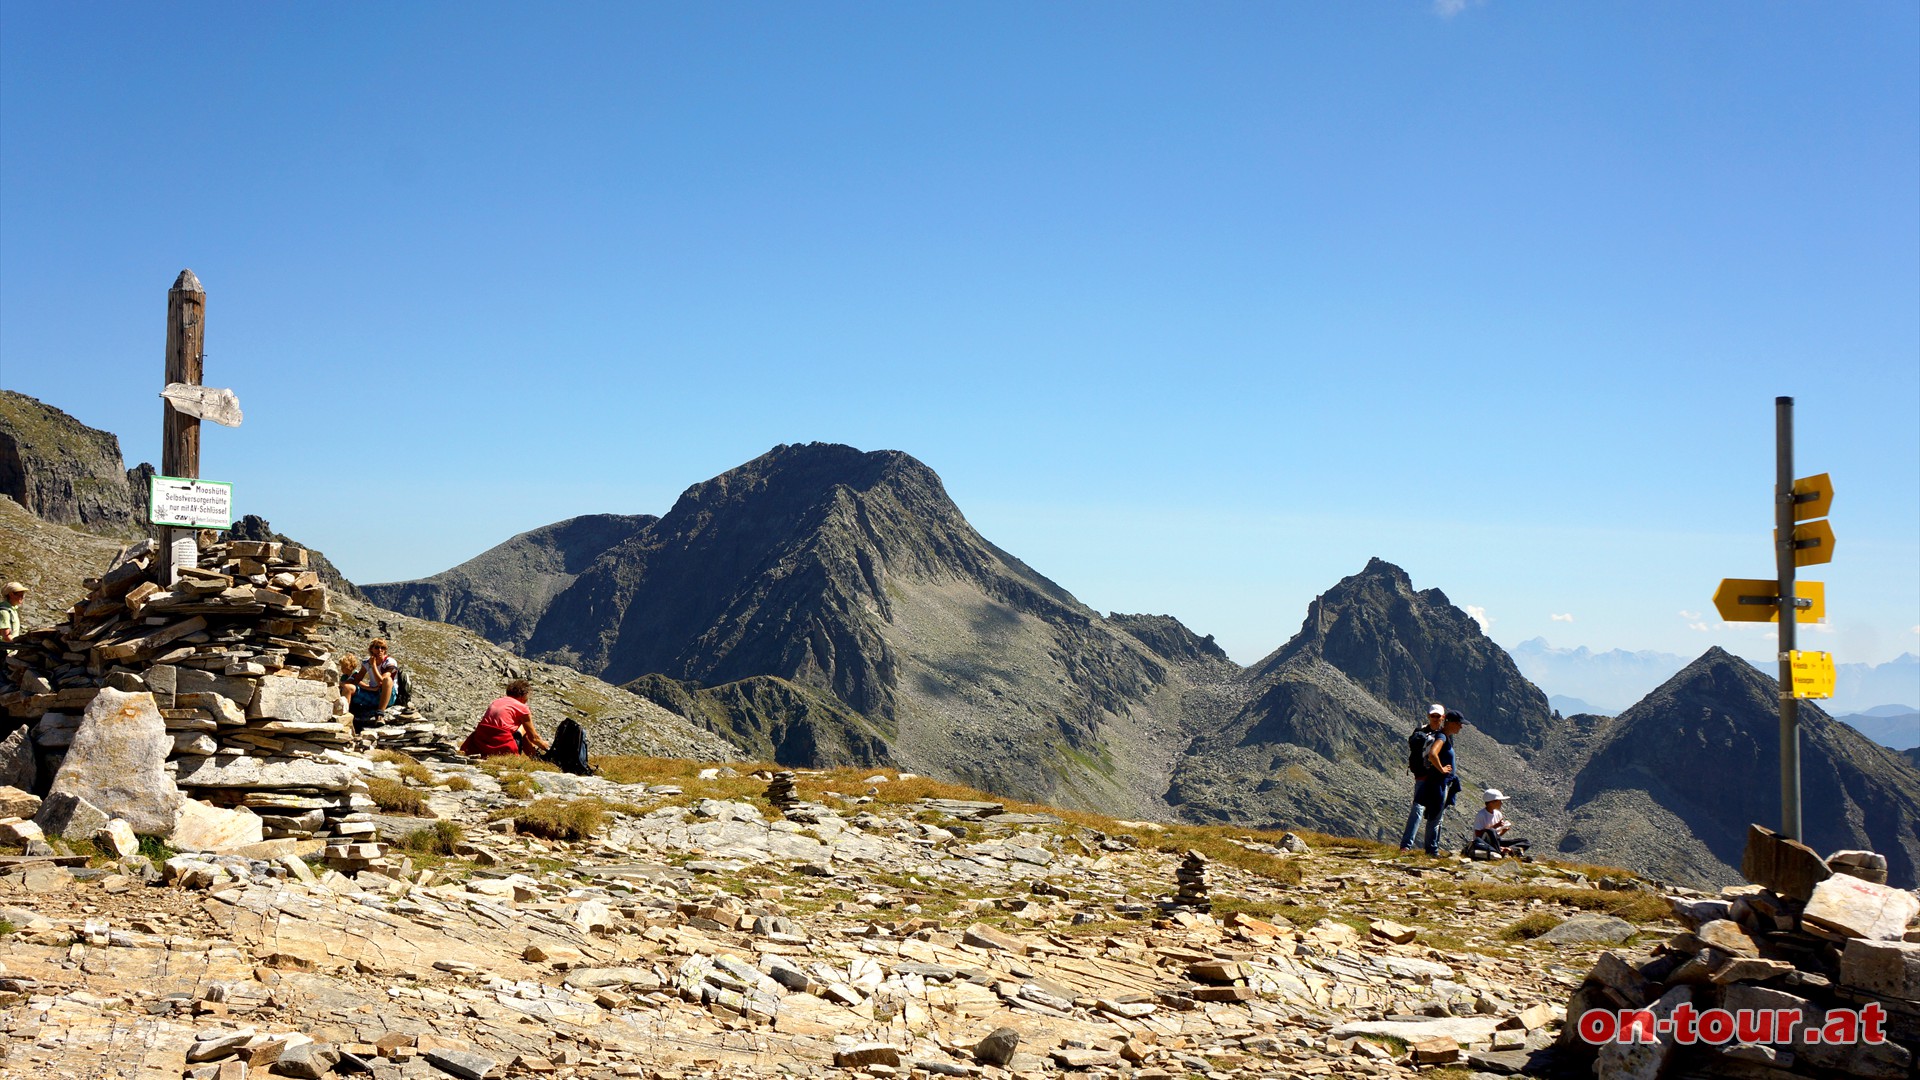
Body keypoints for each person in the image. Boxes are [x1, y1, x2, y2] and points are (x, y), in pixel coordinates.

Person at [1411, 710, 1467, 857]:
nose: (1461, 727)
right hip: (1439, 782)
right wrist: (1442, 769)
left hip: (1442, 782)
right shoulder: (1442, 736)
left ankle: (1432, 849)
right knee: (1435, 817)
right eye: (1459, 724)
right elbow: (1432, 754)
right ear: (1451, 723)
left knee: (1436, 816)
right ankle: (1432, 851)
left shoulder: (1445, 736)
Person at [1398, 704, 1448, 852]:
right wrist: (1443, 770)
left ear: (1442, 717)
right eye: (1433, 716)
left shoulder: (1428, 733)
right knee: (1422, 811)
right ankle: (1408, 846)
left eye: (1437, 716)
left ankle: (1426, 849)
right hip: (1426, 777)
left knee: (1425, 811)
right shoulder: (1439, 734)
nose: (1435, 719)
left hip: (1428, 778)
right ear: (1428, 716)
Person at [461, 678, 549, 759]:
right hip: (502, 747)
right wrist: (545, 746)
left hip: (480, 745)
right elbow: (534, 738)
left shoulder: (497, 701)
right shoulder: (522, 707)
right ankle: (535, 757)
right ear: (524, 695)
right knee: (524, 728)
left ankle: (534, 756)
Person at [348, 639, 399, 726]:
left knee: (388, 680)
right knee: (348, 688)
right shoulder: (366, 662)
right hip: (374, 693)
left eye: (382, 648)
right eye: (377, 647)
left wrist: (374, 665)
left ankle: (380, 714)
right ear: (371, 649)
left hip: (388, 695)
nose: (380, 650)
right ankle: (346, 716)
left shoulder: (389, 662)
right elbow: (357, 680)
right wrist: (369, 688)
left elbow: (381, 681)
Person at [1469, 788, 1530, 858]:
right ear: (1492, 802)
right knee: (1490, 831)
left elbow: (1497, 836)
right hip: (1484, 843)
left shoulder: (1498, 814)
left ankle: (1507, 850)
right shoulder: (1481, 815)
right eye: (1499, 801)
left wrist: (1503, 831)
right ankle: (1502, 852)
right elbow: (1478, 835)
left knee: (1525, 841)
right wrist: (1495, 826)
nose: (1501, 803)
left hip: (1496, 843)